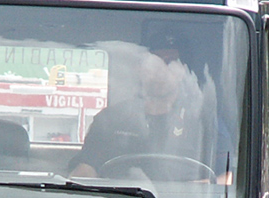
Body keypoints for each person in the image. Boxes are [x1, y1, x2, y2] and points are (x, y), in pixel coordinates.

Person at [69, 51, 222, 180]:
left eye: (169, 63)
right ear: (139, 70)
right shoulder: (111, 119)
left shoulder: (203, 119)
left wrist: (197, 195)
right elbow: (85, 169)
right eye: (153, 63)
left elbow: (227, 177)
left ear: (183, 70)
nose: (160, 72)